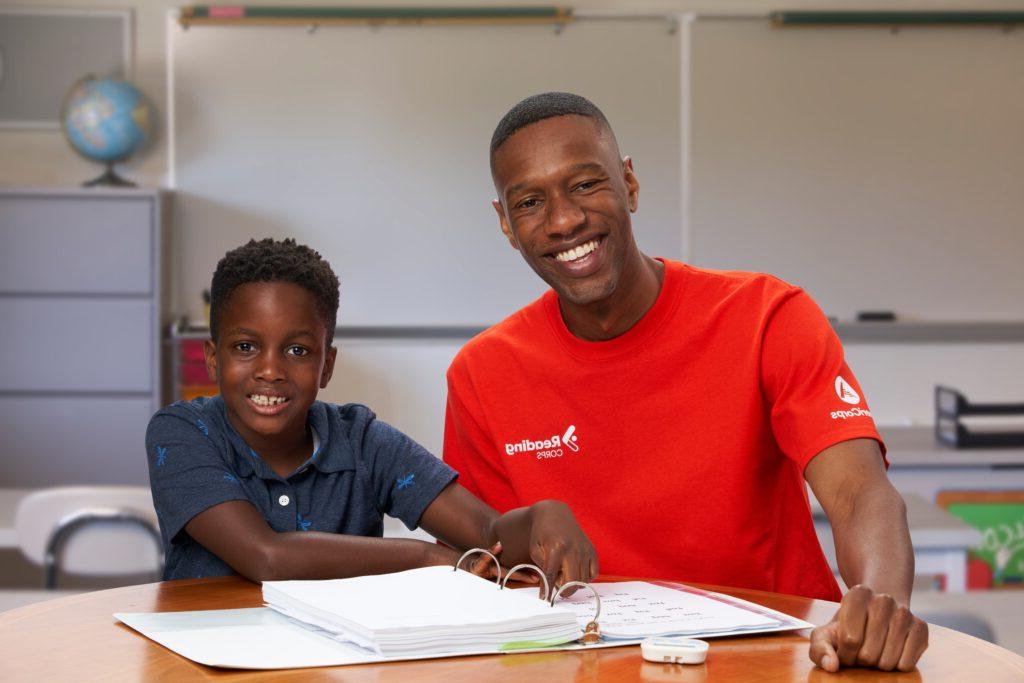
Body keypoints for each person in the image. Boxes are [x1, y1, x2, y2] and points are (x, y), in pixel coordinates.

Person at [442, 92, 927, 672]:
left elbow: (858, 493)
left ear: (630, 185)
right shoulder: (482, 374)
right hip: (589, 666)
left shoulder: (768, 316)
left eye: (586, 185)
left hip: (781, 661)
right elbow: (490, 560)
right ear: (505, 224)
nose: (565, 220)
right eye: (529, 201)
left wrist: (879, 603)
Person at [146, 237, 596, 589]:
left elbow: (487, 530)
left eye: (298, 350)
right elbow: (267, 557)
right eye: (245, 347)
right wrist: (427, 557)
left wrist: (540, 516)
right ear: (211, 358)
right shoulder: (182, 433)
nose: (269, 370)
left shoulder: (361, 440)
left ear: (327, 365)